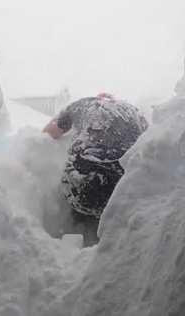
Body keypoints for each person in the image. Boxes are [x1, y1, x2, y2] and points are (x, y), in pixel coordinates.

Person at [43, 93, 148, 246]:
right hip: (120, 194)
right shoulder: (135, 113)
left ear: (98, 98)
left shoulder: (83, 104)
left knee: (80, 175)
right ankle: (108, 235)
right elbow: (152, 147)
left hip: (82, 191)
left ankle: (77, 226)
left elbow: (50, 132)